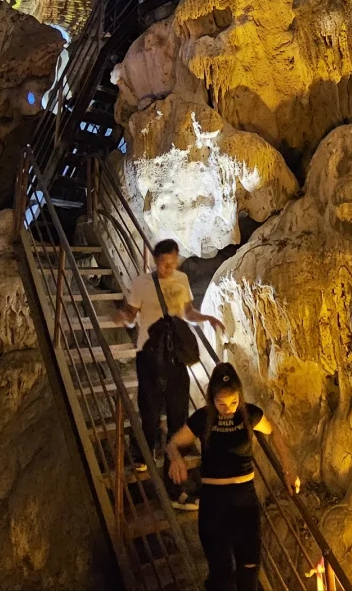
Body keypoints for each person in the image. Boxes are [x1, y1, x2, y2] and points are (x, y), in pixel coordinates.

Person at [166, 363, 300, 591]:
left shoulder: (250, 414)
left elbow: (274, 430)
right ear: (212, 399)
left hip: (243, 500)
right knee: (221, 573)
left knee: (249, 567)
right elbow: (174, 443)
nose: (228, 409)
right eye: (221, 404)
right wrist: (176, 458)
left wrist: (288, 467)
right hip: (213, 503)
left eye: (233, 402)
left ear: (240, 396)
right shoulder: (204, 417)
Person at [114, 239, 223, 503]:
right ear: (155, 260)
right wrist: (124, 318)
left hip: (174, 356)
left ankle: (175, 465)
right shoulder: (142, 283)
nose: (168, 268)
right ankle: (143, 452)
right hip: (149, 353)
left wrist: (206, 317)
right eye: (164, 263)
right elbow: (131, 313)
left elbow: (187, 312)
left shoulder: (181, 280)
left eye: (172, 263)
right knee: (149, 406)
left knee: (177, 409)